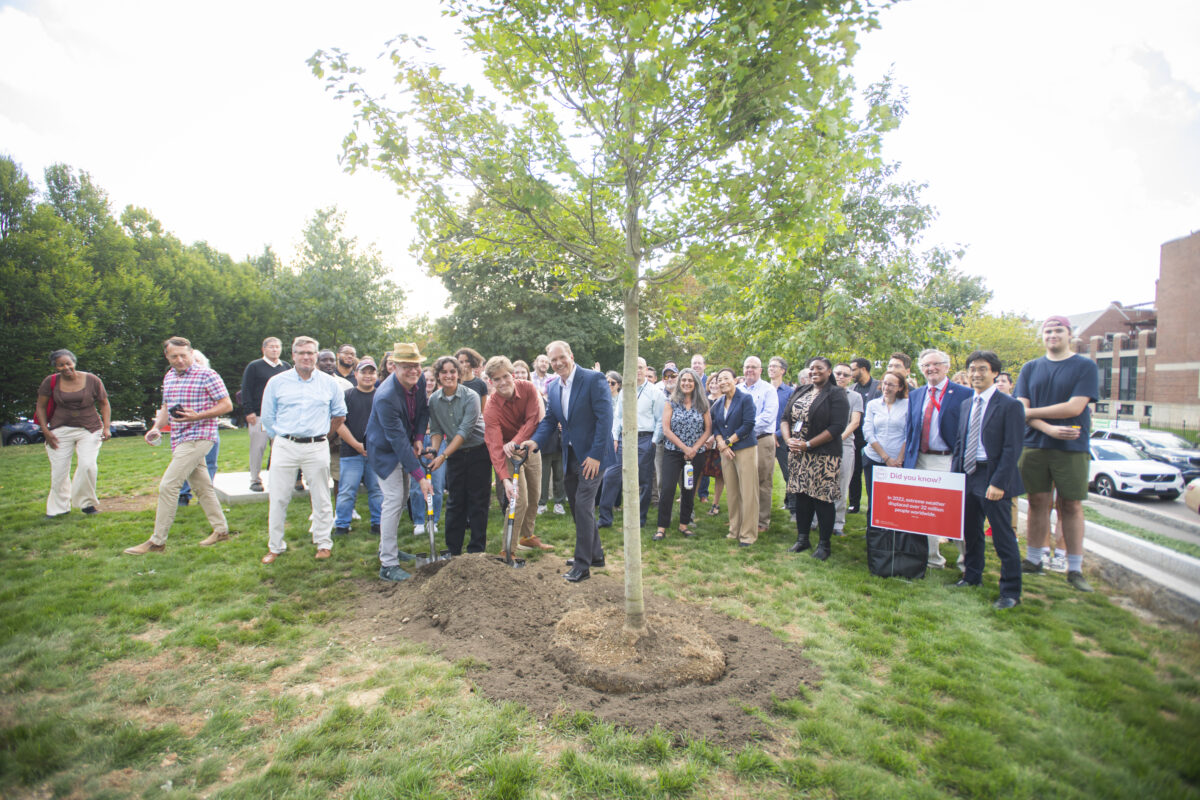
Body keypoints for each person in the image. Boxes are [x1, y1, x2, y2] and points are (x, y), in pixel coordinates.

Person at [124, 337, 232, 555]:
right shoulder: (170, 376)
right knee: (202, 487)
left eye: (184, 355)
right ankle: (221, 531)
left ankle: (157, 541)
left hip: (200, 436)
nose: (180, 360)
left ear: (191, 353)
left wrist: (198, 416)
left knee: (168, 486)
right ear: (167, 356)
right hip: (179, 438)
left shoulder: (207, 375)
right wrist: (156, 427)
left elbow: (227, 405)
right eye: (174, 356)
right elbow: (166, 407)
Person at [1016, 315, 1100, 593]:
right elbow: (1021, 407)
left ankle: (1074, 568)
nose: (1052, 335)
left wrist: (1030, 414)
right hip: (1036, 445)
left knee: (1071, 505)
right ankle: (1034, 559)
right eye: (1048, 331)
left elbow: (1075, 407)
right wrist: (1048, 430)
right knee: (1038, 503)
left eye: (1058, 331)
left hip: (1071, 447)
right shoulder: (1031, 368)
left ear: (1069, 334)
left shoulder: (1084, 366)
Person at [523, 340, 615, 582]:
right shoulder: (554, 387)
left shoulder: (593, 379)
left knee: (584, 506)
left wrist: (595, 455)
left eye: (561, 357)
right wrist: (535, 442)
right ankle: (595, 555)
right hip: (571, 455)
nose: (558, 363)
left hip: (594, 455)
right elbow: (551, 420)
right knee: (576, 507)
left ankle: (582, 565)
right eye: (553, 360)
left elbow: (606, 419)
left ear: (571, 355)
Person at [256, 336, 348, 564]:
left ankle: (324, 543)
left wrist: (324, 436)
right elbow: (267, 417)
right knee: (278, 497)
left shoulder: (328, 383)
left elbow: (340, 414)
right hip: (285, 445)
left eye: (310, 353)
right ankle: (275, 546)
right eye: (301, 352)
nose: (306, 357)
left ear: (316, 356)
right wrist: (279, 438)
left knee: (321, 496)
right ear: (293, 355)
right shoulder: (277, 382)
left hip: (316, 446)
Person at [952, 350, 1026, 609]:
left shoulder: (1010, 405)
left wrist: (998, 483)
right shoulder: (966, 404)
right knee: (970, 532)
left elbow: (1012, 448)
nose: (976, 374)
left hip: (993, 476)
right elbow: (961, 444)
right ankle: (972, 577)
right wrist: (955, 480)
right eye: (972, 369)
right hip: (968, 474)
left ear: (995, 373)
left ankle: (1010, 592)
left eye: (982, 369)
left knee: (1003, 536)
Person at [367, 342, 432, 582]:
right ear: (394, 366)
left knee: (401, 498)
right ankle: (388, 563)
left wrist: (417, 437)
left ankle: (389, 546)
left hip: (404, 442)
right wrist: (421, 478)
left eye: (416, 365)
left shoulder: (419, 380)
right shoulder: (386, 397)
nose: (413, 371)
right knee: (394, 500)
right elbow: (395, 440)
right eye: (407, 366)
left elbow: (423, 410)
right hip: (385, 451)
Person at [904, 348, 972, 569]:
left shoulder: (964, 394)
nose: (931, 369)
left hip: (948, 459)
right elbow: (911, 429)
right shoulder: (916, 394)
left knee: (957, 514)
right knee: (924, 512)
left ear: (947, 366)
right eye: (926, 366)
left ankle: (966, 561)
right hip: (921, 460)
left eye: (936, 364)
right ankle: (932, 558)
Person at [483, 355, 553, 553]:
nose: (503, 382)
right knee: (518, 499)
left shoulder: (528, 388)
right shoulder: (491, 408)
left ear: (512, 375)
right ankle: (508, 548)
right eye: (497, 379)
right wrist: (504, 478)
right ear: (491, 382)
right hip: (509, 453)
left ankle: (527, 536)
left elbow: (533, 420)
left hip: (529, 447)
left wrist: (517, 441)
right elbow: (495, 445)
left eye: (505, 376)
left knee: (535, 495)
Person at [781, 357, 848, 560]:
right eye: (811, 368)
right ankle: (802, 539)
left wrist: (808, 444)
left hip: (823, 456)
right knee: (801, 497)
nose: (814, 371)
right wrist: (789, 440)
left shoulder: (836, 394)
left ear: (829, 372)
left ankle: (824, 545)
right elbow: (785, 419)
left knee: (822, 500)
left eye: (819, 368)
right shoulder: (801, 390)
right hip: (798, 455)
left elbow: (837, 427)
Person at [36, 348, 111, 518]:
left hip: (90, 428)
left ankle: (87, 504)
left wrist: (106, 427)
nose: (66, 367)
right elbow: (40, 406)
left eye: (68, 363)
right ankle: (58, 508)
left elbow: (104, 403)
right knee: (59, 471)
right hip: (60, 429)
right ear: (56, 367)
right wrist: (45, 430)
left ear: (74, 362)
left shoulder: (92, 380)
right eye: (60, 365)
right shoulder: (50, 382)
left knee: (87, 466)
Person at [428, 355, 490, 555]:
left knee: (478, 501)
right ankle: (453, 549)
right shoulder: (434, 400)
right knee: (455, 501)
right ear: (438, 375)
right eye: (444, 372)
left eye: (452, 371)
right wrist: (433, 451)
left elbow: (464, 431)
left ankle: (476, 549)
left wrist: (443, 456)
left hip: (478, 452)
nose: (449, 375)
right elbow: (437, 430)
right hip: (454, 454)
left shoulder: (470, 396)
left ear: (459, 373)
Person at [599, 356, 663, 528]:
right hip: (623, 438)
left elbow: (660, 420)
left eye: (641, 367)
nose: (638, 370)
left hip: (644, 439)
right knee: (611, 476)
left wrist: (654, 441)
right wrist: (614, 437)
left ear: (646, 369)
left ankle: (639, 520)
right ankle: (605, 519)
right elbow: (618, 417)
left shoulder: (655, 392)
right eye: (634, 367)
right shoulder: (625, 390)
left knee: (643, 482)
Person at [655, 367, 711, 540]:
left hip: (696, 454)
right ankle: (661, 527)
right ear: (679, 383)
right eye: (684, 380)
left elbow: (708, 429)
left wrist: (694, 449)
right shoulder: (671, 402)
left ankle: (684, 525)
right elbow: (666, 429)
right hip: (673, 452)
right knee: (668, 488)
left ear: (695, 384)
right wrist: (684, 448)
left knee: (688, 489)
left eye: (690, 381)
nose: (686, 383)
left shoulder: (703, 404)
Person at [333, 358, 383, 537]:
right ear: (356, 375)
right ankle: (342, 525)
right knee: (347, 490)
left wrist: (373, 445)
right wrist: (356, 444)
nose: (368, 376)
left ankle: (378, 524)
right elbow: (339, 424)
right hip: (350, 452)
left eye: (372, 372)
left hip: (376, 453)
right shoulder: (346, 396)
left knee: (377, 490)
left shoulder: (382, 396)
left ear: (376, 375)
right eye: (364, 372)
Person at [710, 367, 758, 546]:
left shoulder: (745, 398)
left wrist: (728, 442)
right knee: (732, 493)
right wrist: (721, 443)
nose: (722, 382)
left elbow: (748, 424)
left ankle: (747, 535)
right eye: (719, 379)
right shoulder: (718, 403)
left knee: (748, 492)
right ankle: (734, 530)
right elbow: (715, 425)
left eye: (725, 378)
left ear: (735, 380)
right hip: (725, 451)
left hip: (744, 448)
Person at [242, 337, 290, 492]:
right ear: (264, 349)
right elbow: (246, 389)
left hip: (281, 416)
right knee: (259, 447)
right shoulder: (254, 367)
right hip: (260, 415)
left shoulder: (286, 367)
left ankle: (277, 479)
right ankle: (255, 479)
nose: (275, 349)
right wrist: (249, 411)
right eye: (271, 347)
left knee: (280, 448)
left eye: (277, 346)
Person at [739, 356, 779, 535]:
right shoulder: (737, 389)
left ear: (760, 370)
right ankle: (743, 518)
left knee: (763, 481)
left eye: (754, 367)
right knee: (743, 480)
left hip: (762, 440)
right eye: (747, 367)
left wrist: (744, 428)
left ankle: (762, 520)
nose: (750, 370)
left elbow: (767, 417)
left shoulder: (768, 390)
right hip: (740, 441)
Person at [862, 370, 909, 513]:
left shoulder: (908, 405)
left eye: (891, 385)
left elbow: (908, 434)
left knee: (895, 501)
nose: (886, 387)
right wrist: (885, 457)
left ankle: (892, 534)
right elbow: (868, 433)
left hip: (898, 462)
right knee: (874, 500)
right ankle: (874, 534)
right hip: (874, 458)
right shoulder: (873, 405)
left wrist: (899, 459)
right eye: (885, 383)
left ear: (900, 387)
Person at [178, 349, 220, 506]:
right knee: (186, 463)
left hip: (209, 429)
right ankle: (183, 495)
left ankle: (205, 497)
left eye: (198, 361)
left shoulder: (211, 378)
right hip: (187, 430)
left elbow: (223, 404)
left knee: (210, 463)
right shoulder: (179, 381)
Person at [831, 363, 864, 536]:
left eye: (845, 374)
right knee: (819, 484)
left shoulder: (855, 397)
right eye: (838, 373)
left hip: (844, 445)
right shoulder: (823, 392)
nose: (841, 377)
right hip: (823, 445)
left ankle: (837, 524)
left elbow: (855, 422)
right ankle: (815, 520)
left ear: (850, 378)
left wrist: (838, 438)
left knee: (842, 485)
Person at [532, 354, 566, 516]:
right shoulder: (539, 401)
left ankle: (559, 502)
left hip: (560, 443)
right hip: (545, 443)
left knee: (559, 474)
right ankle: (542, 502)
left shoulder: (560, 399)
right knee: (543, 476)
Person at [848, 356, 879, 512]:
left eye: (853, 369)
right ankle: (854, 503)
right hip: (855, 437)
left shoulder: (878, 386)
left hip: (872, 439)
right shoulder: (853, 388)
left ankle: (874, 505)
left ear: (863, 369)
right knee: (854, 471)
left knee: (871, 474)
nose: (851, 373)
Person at [768, 356, 795, 521]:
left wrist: (776, 435)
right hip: (763, 438)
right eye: (769, 366)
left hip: (782, 439)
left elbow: (791, 417)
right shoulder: (763, 389)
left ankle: (794, 509)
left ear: (782, 370)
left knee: (789, 474)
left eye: (774, 366)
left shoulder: (790, 392)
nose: (771, 368)